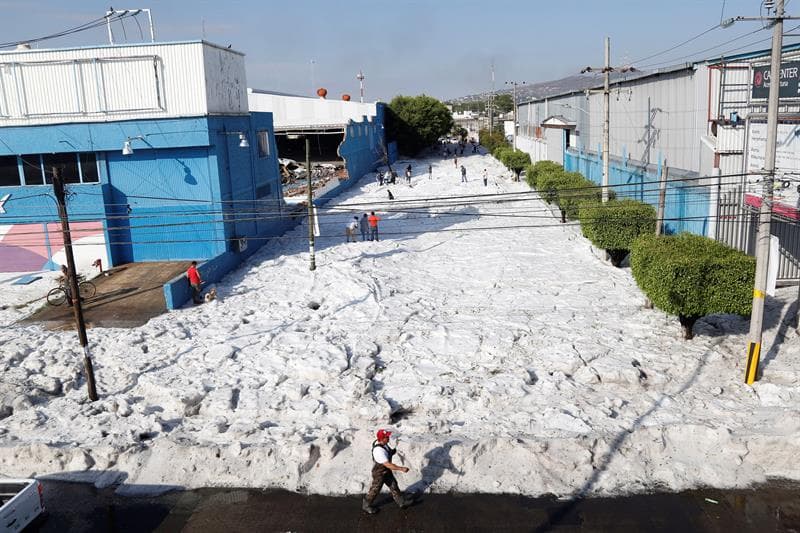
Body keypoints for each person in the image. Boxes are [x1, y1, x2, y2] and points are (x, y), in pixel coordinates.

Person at [362, 429, 413, 514]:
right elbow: (388, 465)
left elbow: (387, 453)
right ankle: (366, 505)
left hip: (386, 471)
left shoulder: (383, 444)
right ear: (382, 439)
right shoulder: (378, 451)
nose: (388, 438)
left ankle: (401, 502)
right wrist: (401, 468)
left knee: (393, 485)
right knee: (375, 490)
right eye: (387, 437)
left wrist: (392, 451)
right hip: (379, 473)